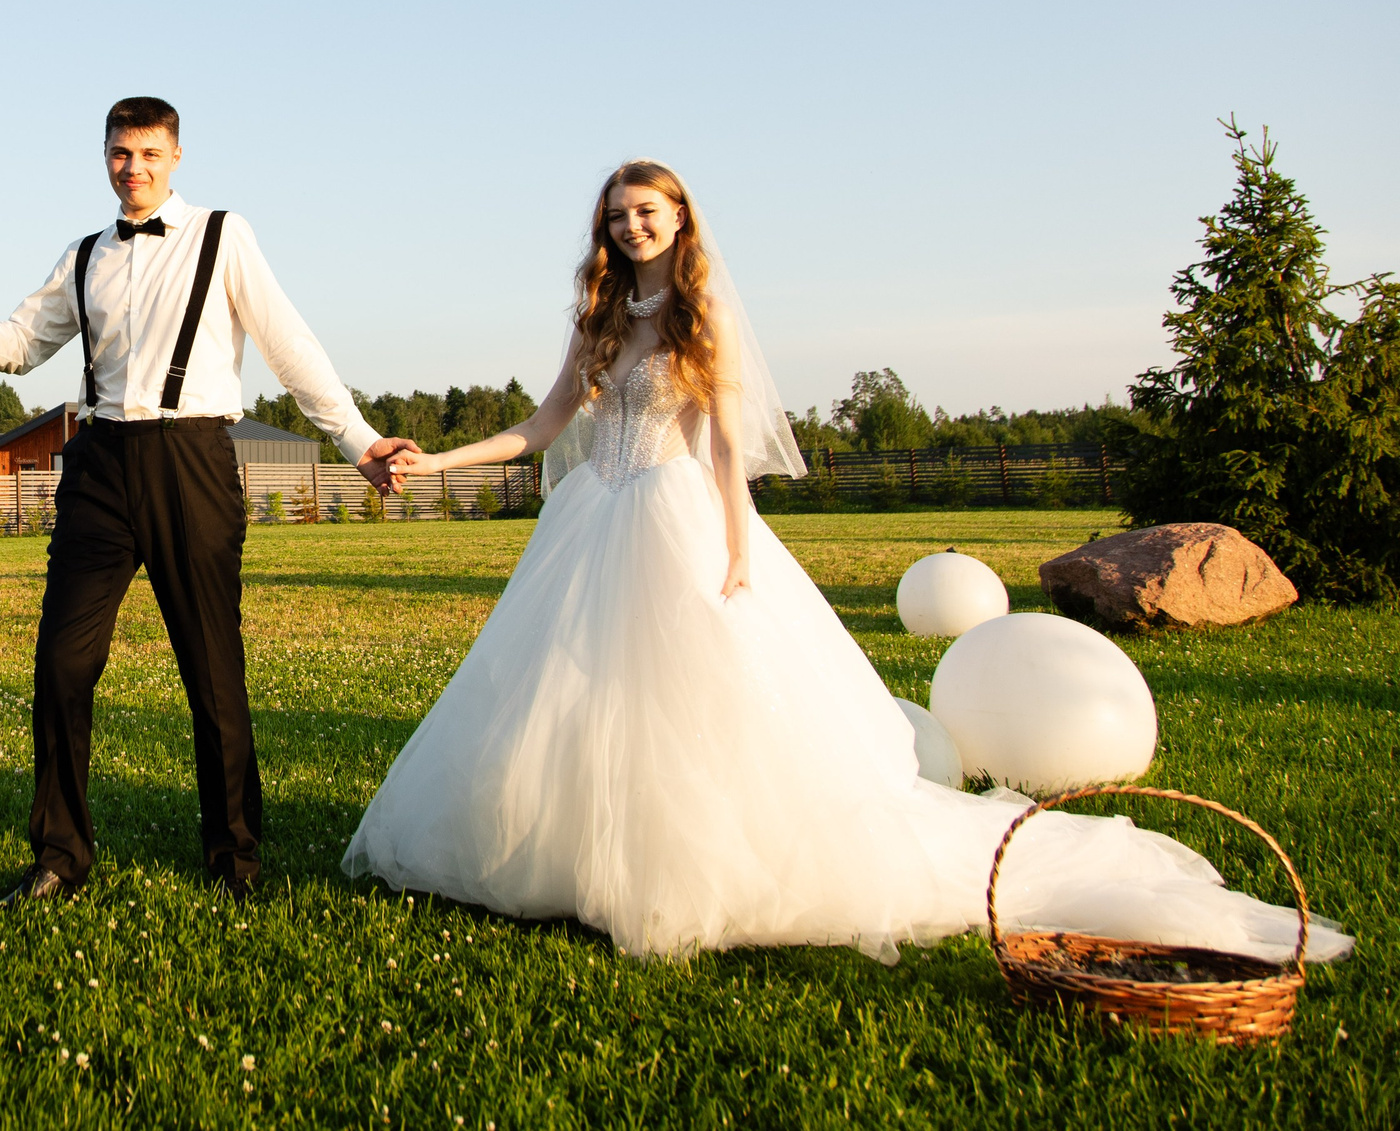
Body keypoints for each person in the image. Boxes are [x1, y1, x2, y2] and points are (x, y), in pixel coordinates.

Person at [343, 159, 1352, 964]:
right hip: (587, 523)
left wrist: (734, 554)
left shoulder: (705, 317)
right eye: (616, 215)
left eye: (646, 212)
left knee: (685, 704)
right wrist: (435, 458)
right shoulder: (599, 319)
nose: (630, 228)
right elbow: (543, 423)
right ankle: (564, 855)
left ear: (680, 220)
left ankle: (676, 868)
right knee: (572, 697)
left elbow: (727, 447)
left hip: (671, 514)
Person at [0, 96, 411, 907]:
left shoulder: (224, 236)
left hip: (191, 457)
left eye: (149, 153)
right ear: (105, 156)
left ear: (176, 156)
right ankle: (58, 857)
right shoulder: (85, 256)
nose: (133, 168)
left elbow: (290, 346)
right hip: (100, 463)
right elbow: (19, 343)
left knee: (212, 670)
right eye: (120, 153)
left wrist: (358, 442)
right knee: (61, 661)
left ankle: (234, 863)